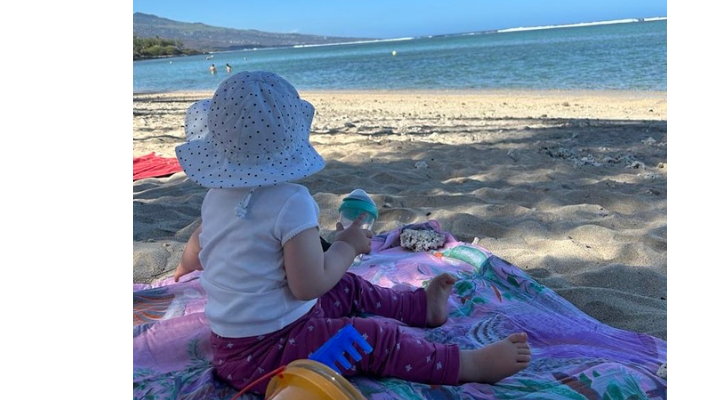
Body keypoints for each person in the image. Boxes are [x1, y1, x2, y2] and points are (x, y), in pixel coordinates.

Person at [173, 71, 531, 395]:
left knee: (346, 288)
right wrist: (346, 246)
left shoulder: (215, 196)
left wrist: (185, 267)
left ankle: (420, 307)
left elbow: (199, 243)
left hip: (231, 350)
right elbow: (308, 285)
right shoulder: (291, 202)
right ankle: (467, 365)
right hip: (271, 356)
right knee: (368, 338)